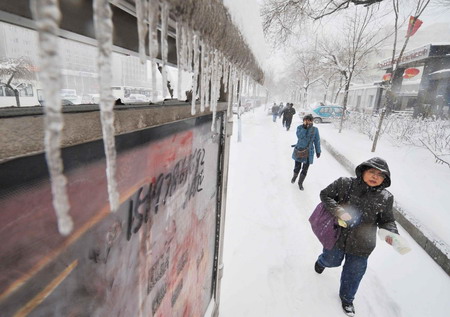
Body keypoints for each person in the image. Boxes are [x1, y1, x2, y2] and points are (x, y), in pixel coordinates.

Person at [314, 157, 398, 316]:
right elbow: (325, 195)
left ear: (385, 179)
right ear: (363, 171)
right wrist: (339, 211)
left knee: (354, 273)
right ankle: (322, 261)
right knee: (331, 260)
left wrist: (391, 233)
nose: (375, 176)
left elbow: (387, 220)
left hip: (362, 244)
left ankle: (347, 299)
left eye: (380, 175)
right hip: (338, 236)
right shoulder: (345, 183)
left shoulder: (386, 197)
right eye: (372, 172)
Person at [291, 114, 321, 190]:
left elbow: (317, 141)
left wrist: (318, 151)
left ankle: (300, 183)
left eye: (309, 120)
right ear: (303, 120)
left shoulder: (315, 130)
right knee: (297, 167)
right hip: (299, 150)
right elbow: (300, 136)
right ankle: (294, 176)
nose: (308, 121)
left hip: (309, 153)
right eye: (306, 120)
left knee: (305, 169)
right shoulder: (299, 128)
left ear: (312, 121)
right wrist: (304, 128)